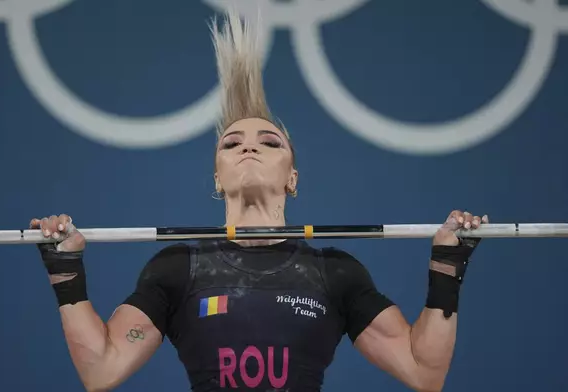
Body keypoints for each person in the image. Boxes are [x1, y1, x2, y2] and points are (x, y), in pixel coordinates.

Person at [29, 9, 488, 392]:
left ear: (292, 178)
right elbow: (101, 368)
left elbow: (424, 370)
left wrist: (447, 265)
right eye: (231, 144)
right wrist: (65, 271)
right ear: (217, 178)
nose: (248, 147)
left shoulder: (336, 272)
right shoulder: (176, 269)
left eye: (269, 142)